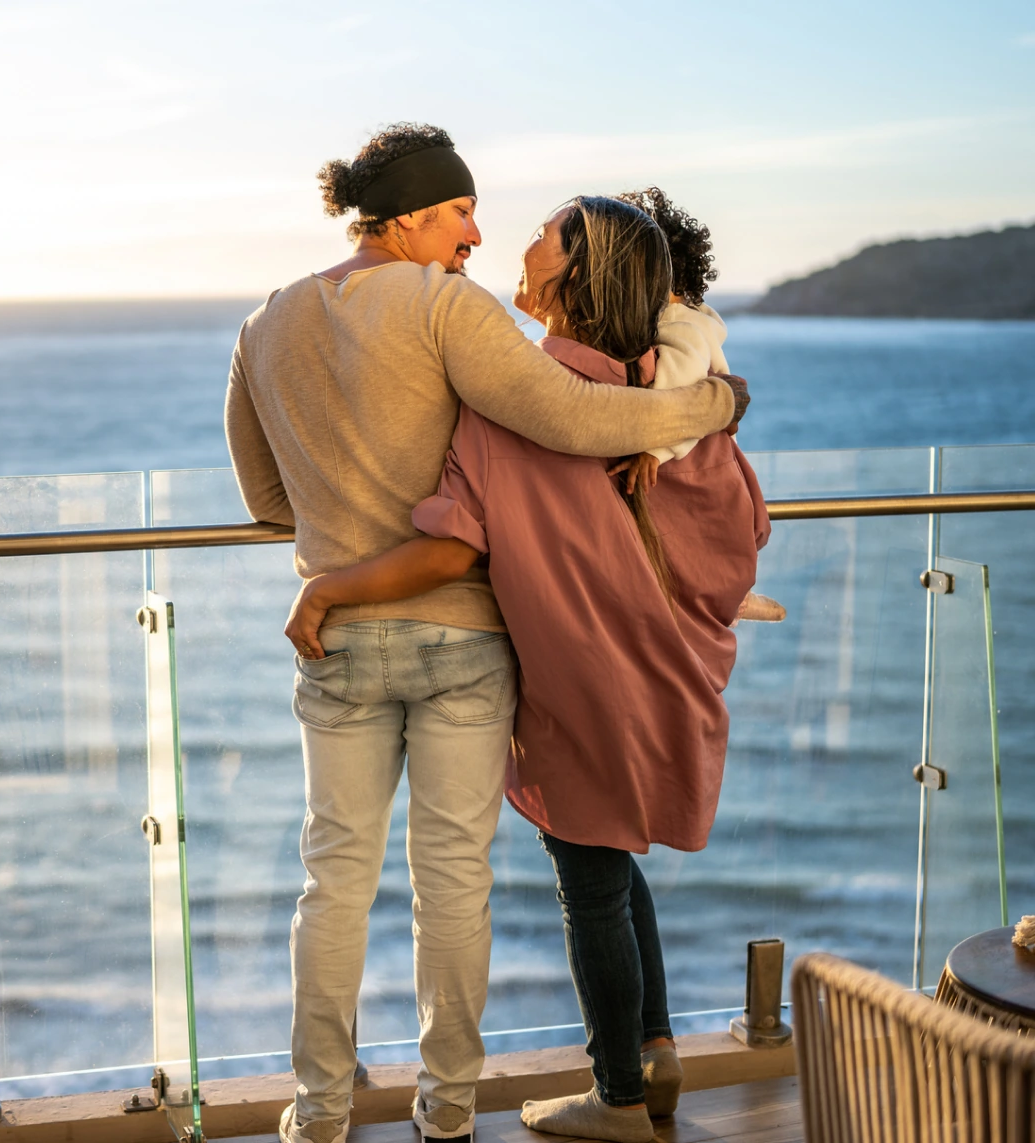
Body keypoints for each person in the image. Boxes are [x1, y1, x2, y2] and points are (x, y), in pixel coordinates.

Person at [224, 124, 744, 1143]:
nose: (474, 235)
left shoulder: (263, 323)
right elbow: (574, 419)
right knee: (450, 882)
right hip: (461, 636)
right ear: (415, 214)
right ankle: (447, 1113)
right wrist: (716, 399)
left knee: (330, 880)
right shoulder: (443, 307)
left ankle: (318, 1112)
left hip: (333, 635)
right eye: (461, 213)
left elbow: (262, 500)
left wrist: (342, 521)